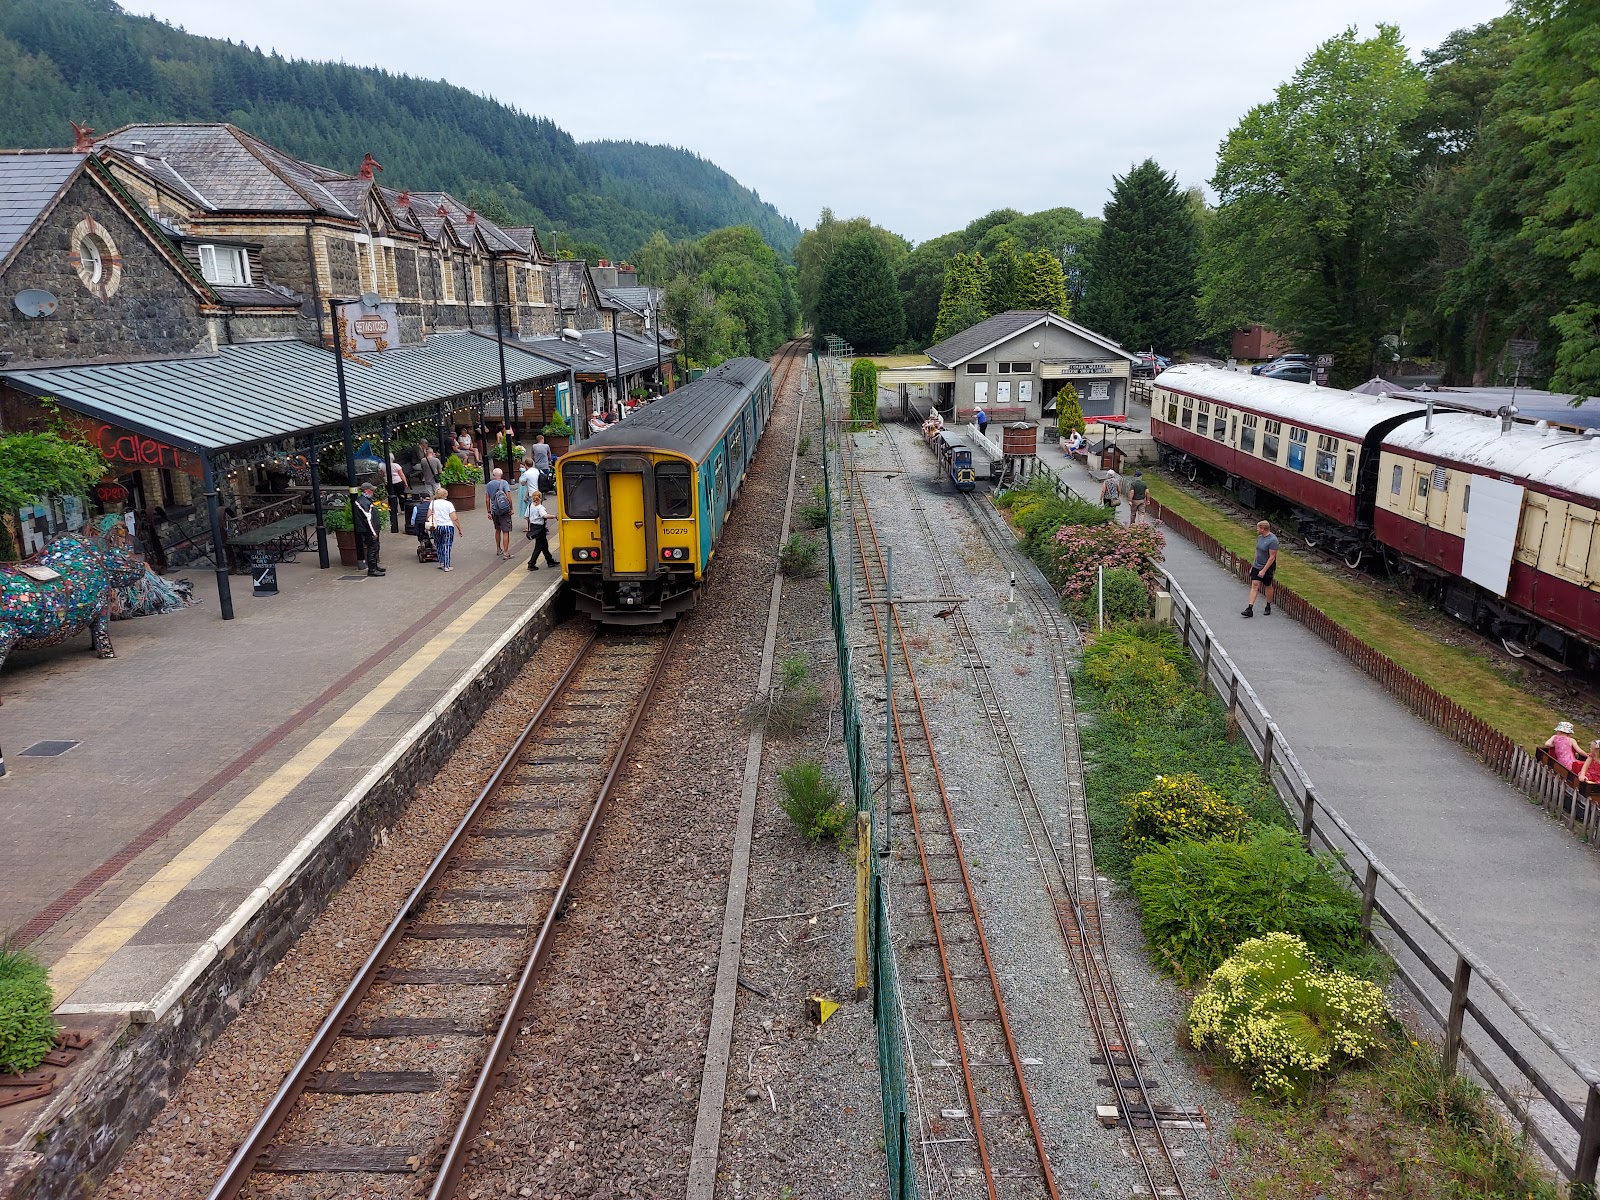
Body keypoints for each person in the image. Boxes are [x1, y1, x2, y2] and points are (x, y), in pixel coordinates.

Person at [1241, 519, 1279, 618]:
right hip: (1257, 565)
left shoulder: (1273, 540)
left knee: (1268, 585)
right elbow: (1257, 552)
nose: (1257, 529)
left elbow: (1272, 557)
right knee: (1254, 585)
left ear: (1262, 529)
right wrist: (1253, 565)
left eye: (1258, 528)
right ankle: (1249, 608)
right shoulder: (1260, 538)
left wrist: (1264, 570)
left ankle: (1268, 605)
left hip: (1267, 567)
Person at [427, 486, 463, 571]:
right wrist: (459, 529)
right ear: (445, 495)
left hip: (437, 526)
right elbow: (454, 518)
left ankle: (441, 563)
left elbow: (428, 516)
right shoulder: (449, 504)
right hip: (448, 526)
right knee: (447, 545)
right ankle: (447, 566)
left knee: (438, 544)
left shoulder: (432, 503)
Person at [354, 481, 385, 576]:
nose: (373, 492)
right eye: (371, 490)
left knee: (375, 547)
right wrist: (373, 532)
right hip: (369, 530)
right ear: (367, 491)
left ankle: (374, 566)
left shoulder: (363, 501)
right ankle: (372, 569)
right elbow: (368, 519)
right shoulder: (364, 502)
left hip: (369, 529)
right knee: (372, 548)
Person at [485, 467, 514, 559]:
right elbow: (508, 496)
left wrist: (489, 511)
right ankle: (506, 553)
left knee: (497, 529)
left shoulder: (489, 485)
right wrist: (511, 508)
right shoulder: (504, 483)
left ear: (493, 475)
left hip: (494, 510)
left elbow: (487, 499)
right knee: (506, 531)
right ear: (501, 475)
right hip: (504, 510)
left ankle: (498, 549)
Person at [526, 489, 557, 570]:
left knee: (544, 545)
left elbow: (526, 516)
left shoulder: (530, 505)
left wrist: (533, 519)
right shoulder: (540, 507)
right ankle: (531, 564)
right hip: (540, 528)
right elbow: (545, 516)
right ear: (541, 498)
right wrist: (554, 516)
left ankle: (550, 561)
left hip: (534, 527)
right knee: (538, 547)